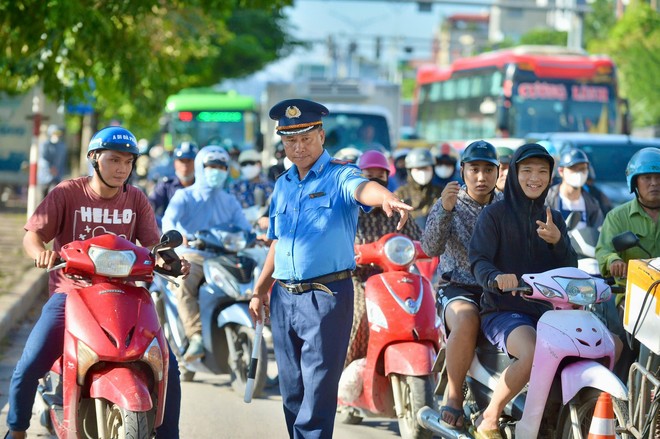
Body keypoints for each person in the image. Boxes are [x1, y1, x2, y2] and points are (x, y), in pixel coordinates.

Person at [6, 126, 189, 439]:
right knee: (29, 364)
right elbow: (33, 236)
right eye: (114, 160)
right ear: (94, 159)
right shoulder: (67, 192)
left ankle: (169, 434)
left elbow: (152, 245)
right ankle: (16, 429)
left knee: (167, 363)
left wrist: (167, 261)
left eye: (128, 163)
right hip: (72, 294)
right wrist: (41, 254)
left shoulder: (136, 200)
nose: (121, 169)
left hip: (126, 296)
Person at [247, 98, 412, 439]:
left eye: (305, 138)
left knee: (318, 392)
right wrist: (260, 290)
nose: (298, 147)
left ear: (321, 136)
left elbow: (362, 187)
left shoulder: (340, 175)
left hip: (326, 298)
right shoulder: (282, 185)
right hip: (283, 299)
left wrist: (385, 198)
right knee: (292, 391)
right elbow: (276, 243)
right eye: (290, 140)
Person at [468, 143, 579, 438]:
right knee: (532, 352)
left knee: (606, 344)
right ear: (514, 173)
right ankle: (489, 418)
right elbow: (478, 259)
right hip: (504, 310)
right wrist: (496, 277)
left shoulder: (553, 216)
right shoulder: (494, 214)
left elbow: (570, 268)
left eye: (543, 171)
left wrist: (558, 240)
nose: (535, 177)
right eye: (527, 170)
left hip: (549, 312)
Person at [421, 140, 502, 429]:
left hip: (499, 287)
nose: (481, 177)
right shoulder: (449, 201)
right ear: (463, 171)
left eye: (488, 170)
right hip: (457, 288)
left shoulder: (507, 205)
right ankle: (453, 397)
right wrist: (444, 208)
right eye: (474, 169)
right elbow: (430, 247)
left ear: (498, 172)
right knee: (467, 320)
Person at [161, 145, 252, 362]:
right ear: (201, 167)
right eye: (211, 166)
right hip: (193, 255)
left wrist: (255, 234)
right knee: (183, 284)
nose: (216, 170)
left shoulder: (229, 200)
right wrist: (178, 234)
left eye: (221, 166)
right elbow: (168, 220)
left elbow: (245, 228)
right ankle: (195, 337)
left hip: (225, 257)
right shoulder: (184, 196)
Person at [344, 149, 422, 367]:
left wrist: (425, 248)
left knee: (421, 307)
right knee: (359, 314)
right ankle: (345, 372)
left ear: (388, 177)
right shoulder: (350, 210)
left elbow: (419, 240)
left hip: (396, 281)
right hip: (359, 280)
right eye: (370, 175)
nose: (376, 180)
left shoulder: (397, 207)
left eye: (381, 174)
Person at [595, 147, 659, 379]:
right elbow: (604, 250)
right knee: (629, 347)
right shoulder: (618, 216)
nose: (654, 183)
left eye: (659, 177)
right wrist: (613, 261)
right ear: (635, 183)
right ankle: (623, 394)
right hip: (633, 297)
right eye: (647, 178)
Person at [545, 148, 604, 230]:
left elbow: (597, 234)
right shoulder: (548, 199)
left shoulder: (592, 204)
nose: (579, 173)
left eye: (583, 169)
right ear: (561, 171)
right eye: (573, 168)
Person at [148, 141, 199, 225]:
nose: (185, 165)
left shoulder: (202, 186)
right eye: (181, 160)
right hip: (169, 233)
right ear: (175, 163)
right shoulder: (166, 185)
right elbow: (151, 203)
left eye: (189, 160)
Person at [394, 148, 444, 229]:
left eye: (426, 168)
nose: (423, 172)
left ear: (432, 169)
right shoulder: (400, 194)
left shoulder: (441, 192)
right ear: (410, 171)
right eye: (418, 169)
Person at [38, 124, 68, 197]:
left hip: (57, 176)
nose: (57, 135)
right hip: (45, 175)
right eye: (55, 133)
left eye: (59, 134)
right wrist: (50, 168)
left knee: (55, 196)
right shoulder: (45, 145)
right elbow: (42, 159)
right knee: (44, 196)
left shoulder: (62, 146)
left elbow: (63, 161)